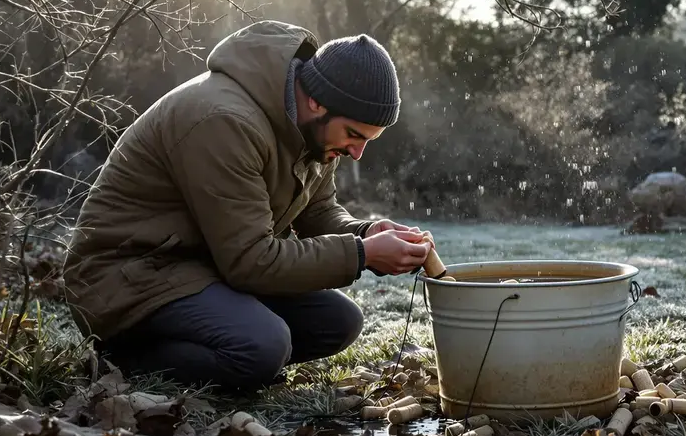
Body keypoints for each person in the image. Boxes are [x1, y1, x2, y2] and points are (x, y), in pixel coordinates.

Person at [62, 20, 433, 393]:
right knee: (262, 347)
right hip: (128, 277)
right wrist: (363, 254)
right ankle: (119, 360)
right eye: (354, 135)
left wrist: (365, 232)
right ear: (316, 101)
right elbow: (250, 261)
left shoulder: (316, 130)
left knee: (337, 321)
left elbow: (318, 212)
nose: (356, 153)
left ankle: (218, 351)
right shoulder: (224, 120)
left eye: (368, 140)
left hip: (201, 266)